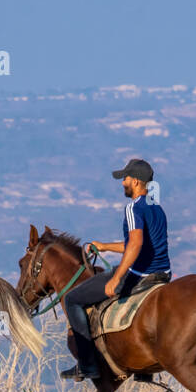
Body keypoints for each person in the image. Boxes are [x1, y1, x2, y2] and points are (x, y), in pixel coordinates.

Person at [62, 158, 171, 380]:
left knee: (72, 299)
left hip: (140, 275)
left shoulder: (134, 207)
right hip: (163, 274)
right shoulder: (156, 208)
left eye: (126, 178)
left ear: (137, 182)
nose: (123, 183)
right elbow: (137, 244)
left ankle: (87, 364)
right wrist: (105, 247)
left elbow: (136, 244)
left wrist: (117, 278)